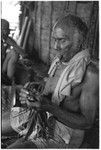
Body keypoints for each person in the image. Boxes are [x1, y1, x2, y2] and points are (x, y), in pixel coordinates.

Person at [2, 14, 99, 148]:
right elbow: (52, 84)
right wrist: (37, 89)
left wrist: (49, 107)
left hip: (62, 132)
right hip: (40, 116)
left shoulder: (90, 73)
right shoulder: (59, 61)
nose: (55, 46)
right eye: (54, 40)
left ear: (79, 42)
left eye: (61, 40)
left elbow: (87, 122)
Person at [1, 19, 25, 84]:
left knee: (14, 53)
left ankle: (8, 80)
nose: (8, 32)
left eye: (7, 30)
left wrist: (12, 44)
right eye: (6, 30)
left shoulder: (6, 39)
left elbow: (23, 53)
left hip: (3, 67)